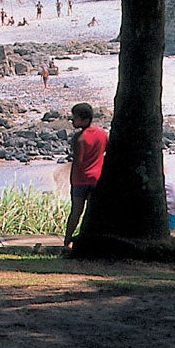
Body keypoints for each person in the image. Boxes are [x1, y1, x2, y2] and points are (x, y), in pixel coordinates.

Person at [63, 102, 107, 247]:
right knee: (93, 213)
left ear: (85, 119)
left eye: (75, 118)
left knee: (76, 212)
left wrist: (71, 179)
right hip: (97, 179)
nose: (72, 121)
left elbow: (78, 162)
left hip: (80, 180)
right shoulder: (102, 134)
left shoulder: (79, 138)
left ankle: (67, 240)